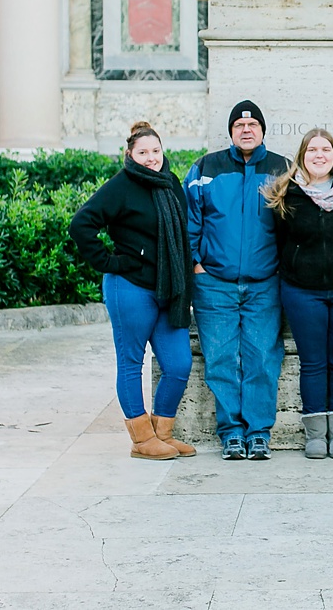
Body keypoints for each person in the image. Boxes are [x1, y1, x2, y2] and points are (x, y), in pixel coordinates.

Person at [68, 121, 194, 462]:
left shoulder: (170, 183)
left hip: (168, 289)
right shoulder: (120, 187)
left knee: (179, 363)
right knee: (131, 362)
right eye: (143, 153)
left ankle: (162, 433)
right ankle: (141, 439)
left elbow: (181, 234)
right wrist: (113, 262)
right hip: (131, 288)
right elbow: (81, 225)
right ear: (130, 155)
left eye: (155, 151)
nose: (151, 158)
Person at [184, 101, 290, 461]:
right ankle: (231, 433)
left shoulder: (281, 168)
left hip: (264, 283)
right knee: (220, 359)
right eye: (240, 124)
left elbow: (293, 223)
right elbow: (190, 221)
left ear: (262, 130)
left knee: (262, 357)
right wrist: (196, 264)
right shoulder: (205, 168)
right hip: (215, 283)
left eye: (253, 124)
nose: (247, 129)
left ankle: (258, 433)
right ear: (231, 131)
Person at [265, 129, 333, 459]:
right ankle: (315, 434)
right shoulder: (287, 191)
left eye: (325, 149)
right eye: (312, 150)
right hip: (302, 291)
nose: (319, 155)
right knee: (313, 363)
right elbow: (279, 238)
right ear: (302, 156)